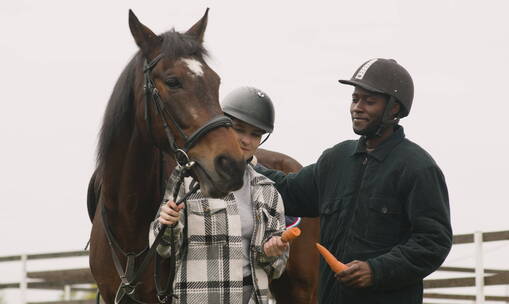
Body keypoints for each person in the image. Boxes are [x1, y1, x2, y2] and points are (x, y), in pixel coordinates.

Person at [255, 58, 452, 304]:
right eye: (355, 99)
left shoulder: (418, 167)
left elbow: (433, 242)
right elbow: (288, 191)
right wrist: (245, 163)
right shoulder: (335, 159)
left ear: (394, 109)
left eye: (369, 101)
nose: (357, 107)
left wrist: (376, 271)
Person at [149, 86, 289, 304]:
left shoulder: (268, 190)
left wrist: (273, 252)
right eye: (239, 129)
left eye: (255, 134)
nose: (246, 140)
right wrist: (167, 223)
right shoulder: (187, 179)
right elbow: (163, 247)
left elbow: (275, 268)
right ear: (222, 127)